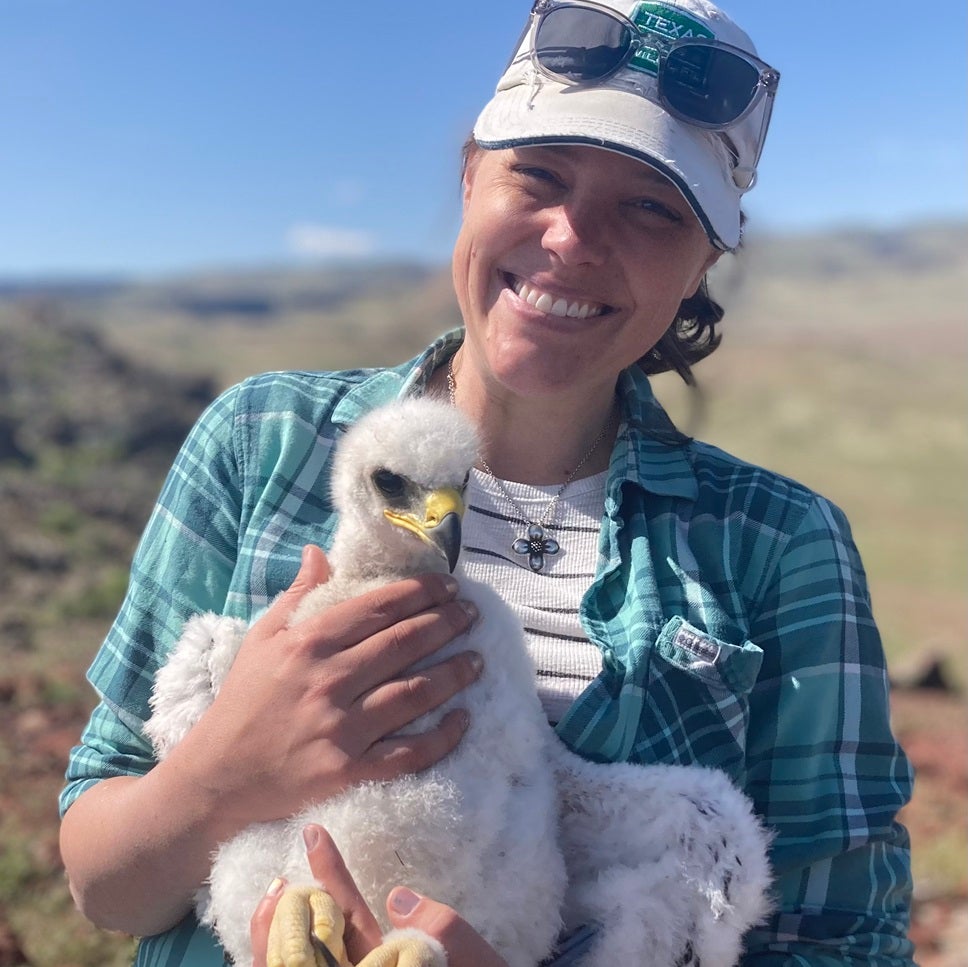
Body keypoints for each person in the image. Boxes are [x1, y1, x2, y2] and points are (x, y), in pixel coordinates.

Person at [59, 0, 916, 964]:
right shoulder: (264, 441)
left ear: (703, 261)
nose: (572, 239)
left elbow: (847, 940)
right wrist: (227, 769)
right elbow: (104, 884)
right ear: (470, 177)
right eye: (539, 175)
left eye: (650, 208)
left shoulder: (778, 543)